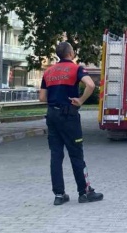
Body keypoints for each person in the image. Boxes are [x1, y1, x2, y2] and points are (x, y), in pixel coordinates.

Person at [40, 42, 103, 206]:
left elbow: (41, 97)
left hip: (52, 115)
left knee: (56, 155)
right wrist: (80, 100)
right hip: (69, 116)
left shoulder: (48, 71)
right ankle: (84, 192)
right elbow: (90, 84)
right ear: (70, 53)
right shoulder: (76, 69)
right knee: (76, 154)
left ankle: (59, 195)